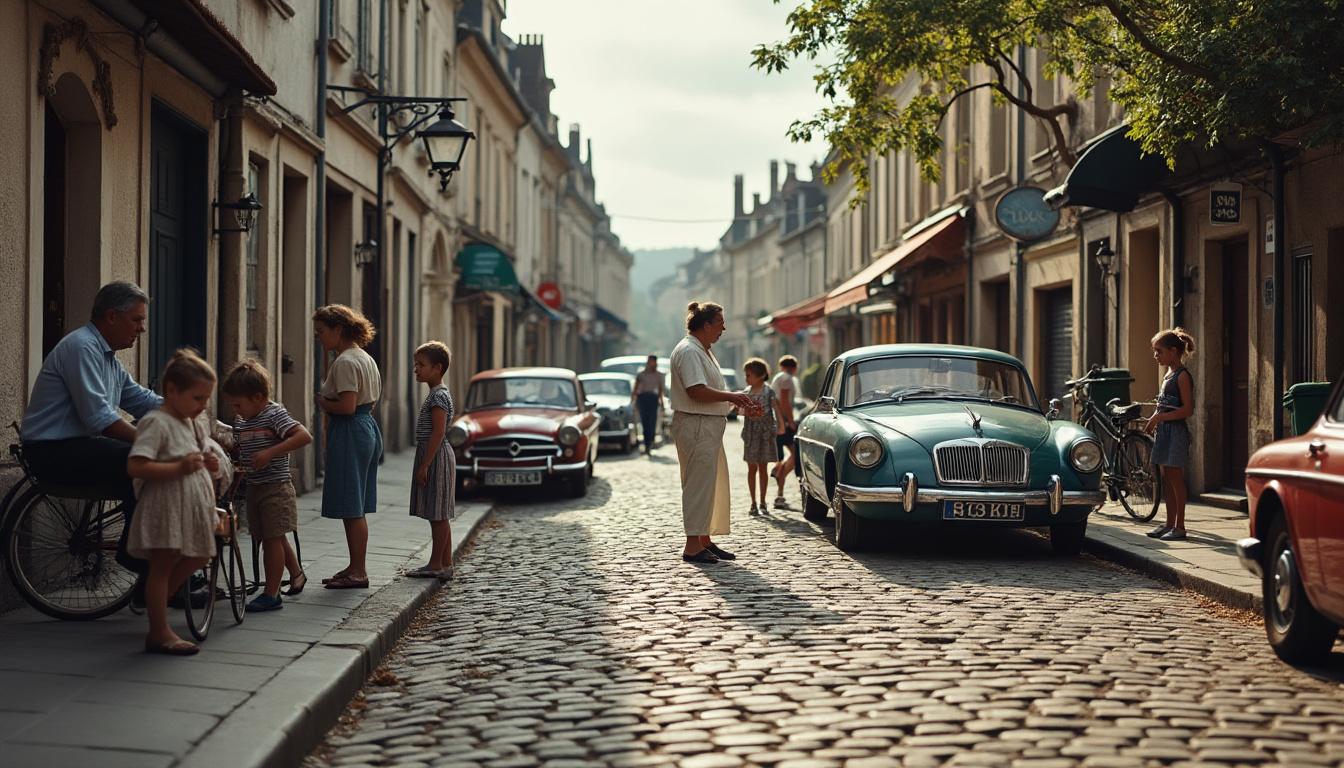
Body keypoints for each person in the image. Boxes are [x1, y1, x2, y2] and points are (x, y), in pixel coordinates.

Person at [20, 282, 163, 593]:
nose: (141, 329)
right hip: (54, 451)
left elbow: (140, 399)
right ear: (112, 316)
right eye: (137, 320)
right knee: (145, 461)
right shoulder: (82, 347)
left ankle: (149, 571)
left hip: (78, 446)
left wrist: (190, 410)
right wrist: (150, 443)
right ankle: (136, 553)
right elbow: (100, 419)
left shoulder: (107, 357)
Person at [126, 350, 220, 655]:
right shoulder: (156, 422)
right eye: (197, 398)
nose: (203, 405)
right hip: (164, 507)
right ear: (172, 391)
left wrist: (206, 462)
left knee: (199, 555)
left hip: (187, 508)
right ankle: (159, 630)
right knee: (162, 566)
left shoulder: (188, 422)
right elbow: (137, 466)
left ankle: (157, 602)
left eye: (206, 399)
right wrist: (179, 468)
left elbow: (188, 455)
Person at [669, 301, 762, 564]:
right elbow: (695, 390)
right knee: (699, 484)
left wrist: (738, 405)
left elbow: (709, 394)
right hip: (696, 424)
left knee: (711, 484)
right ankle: (692, 546)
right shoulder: (689, 351)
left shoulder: (702, 350)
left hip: (706, 423)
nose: (724, 328)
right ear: (706, 324)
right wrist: (734, 396)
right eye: (720, 323)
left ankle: (704, 540)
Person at [221, 360, 312, 612]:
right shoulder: (242, 419)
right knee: (270, 535)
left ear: (258, 397)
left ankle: (271, 594)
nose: (236, 410)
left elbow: (303, 435)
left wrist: (271, 452)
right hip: (254, 486)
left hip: (276, 486)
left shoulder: (274, 414)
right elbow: (242, 445)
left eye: (238, 404)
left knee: (272, 539)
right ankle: (296, 574)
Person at [314, 304, 383, 590]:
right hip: (366, 426)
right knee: (355, 504)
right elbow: (369, 402)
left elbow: (347, 405)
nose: (319, 337)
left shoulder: (344, 362)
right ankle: (355, 566)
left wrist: (322, 402)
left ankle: (358, 571)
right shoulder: (365, 358)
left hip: (351, 430)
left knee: (353, 506)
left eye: (321, 332)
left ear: (338, 330)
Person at [406, 341, 457, 580]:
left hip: (435, 455)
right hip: (435, 454)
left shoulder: (438, 396)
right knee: (440, 512)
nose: (416, 369)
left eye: (421, 365)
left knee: (437, 513)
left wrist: (425, 465)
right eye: (416, 364)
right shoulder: (438, 394)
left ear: (438, 368)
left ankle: (436, 563)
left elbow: (438, 432)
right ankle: (445, 562)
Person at [1144, 327, 1197, 541]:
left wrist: (1160, 418)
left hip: (1176, 433)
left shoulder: (1182, 376)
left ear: (1174, 352)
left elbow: (1187, 410)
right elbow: (1164, 404)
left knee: (1175, 479)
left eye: (1159, 351)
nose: (1156, 355)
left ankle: (1180, 527)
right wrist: (1153, 418)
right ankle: (1168, 524)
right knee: (1166, 479)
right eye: (1155, 351)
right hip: (1165, 432)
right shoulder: (1168, 374)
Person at [740, 358, 788, 515]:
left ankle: (762, 501)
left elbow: (776, 408)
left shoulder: (768, 392)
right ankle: (753, 502)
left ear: (760, 376)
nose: (746, 378)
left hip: (766, 434)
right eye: (746, 375)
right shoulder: (746, 392)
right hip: (751, 434)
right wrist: (744, 410)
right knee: (751, 468)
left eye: (749, 375)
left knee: (763, 468)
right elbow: (739, 410)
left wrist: (781, 425)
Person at [770, 355, 800, 509]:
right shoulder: (787, 379)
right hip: (783, 423)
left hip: (778, 422)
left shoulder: (779, 377)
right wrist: (791, 421)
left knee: (786, 457)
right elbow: (784, 402)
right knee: (795, 456)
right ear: (794, 368)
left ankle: (779, 489)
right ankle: (779, 486)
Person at [632, 355, 665, 455]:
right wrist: (633, 401)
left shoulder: (659, 375)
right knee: (644, 422)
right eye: (649, 361)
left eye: (652, 362)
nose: (651, 364)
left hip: (653, 399)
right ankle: (646, 446)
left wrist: (662, 402)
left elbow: (660, 390)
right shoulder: (641, 374)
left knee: (652, 422)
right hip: (642, 399)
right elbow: (635, 388)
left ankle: (650, 442)